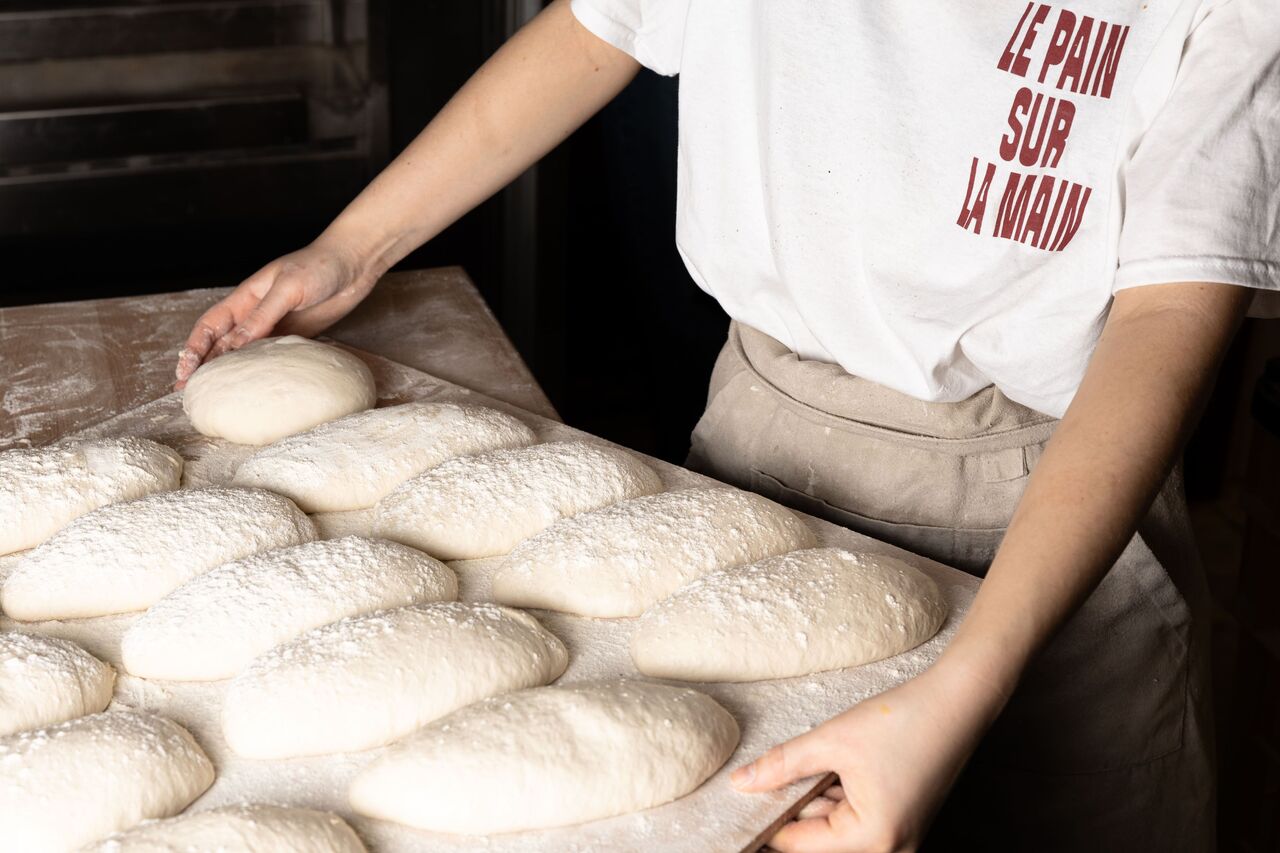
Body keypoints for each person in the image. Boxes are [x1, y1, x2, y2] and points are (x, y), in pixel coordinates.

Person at [174, 1, 1280, 849]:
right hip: (757, 439)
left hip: (1040, 493)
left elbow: (1169, 317)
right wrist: (354, 247)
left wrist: (964, 686)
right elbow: (600, 25)